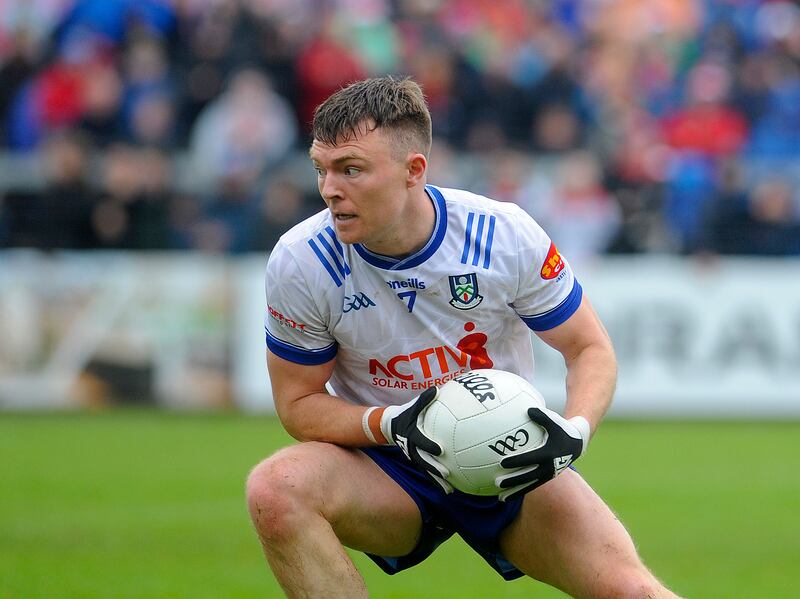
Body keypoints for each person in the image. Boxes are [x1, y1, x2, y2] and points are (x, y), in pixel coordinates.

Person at [247, 76, 681, 598]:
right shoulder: (302, 262)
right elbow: (297, 403)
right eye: (322, 169)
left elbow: (589, 348)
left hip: (508, 454)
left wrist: (576, 431)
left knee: (633, 592)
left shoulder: (502, 233)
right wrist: (394, 424)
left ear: (414, 171)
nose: (329, 189)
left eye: (351, 169)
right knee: (275, 491)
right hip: (387, 461)